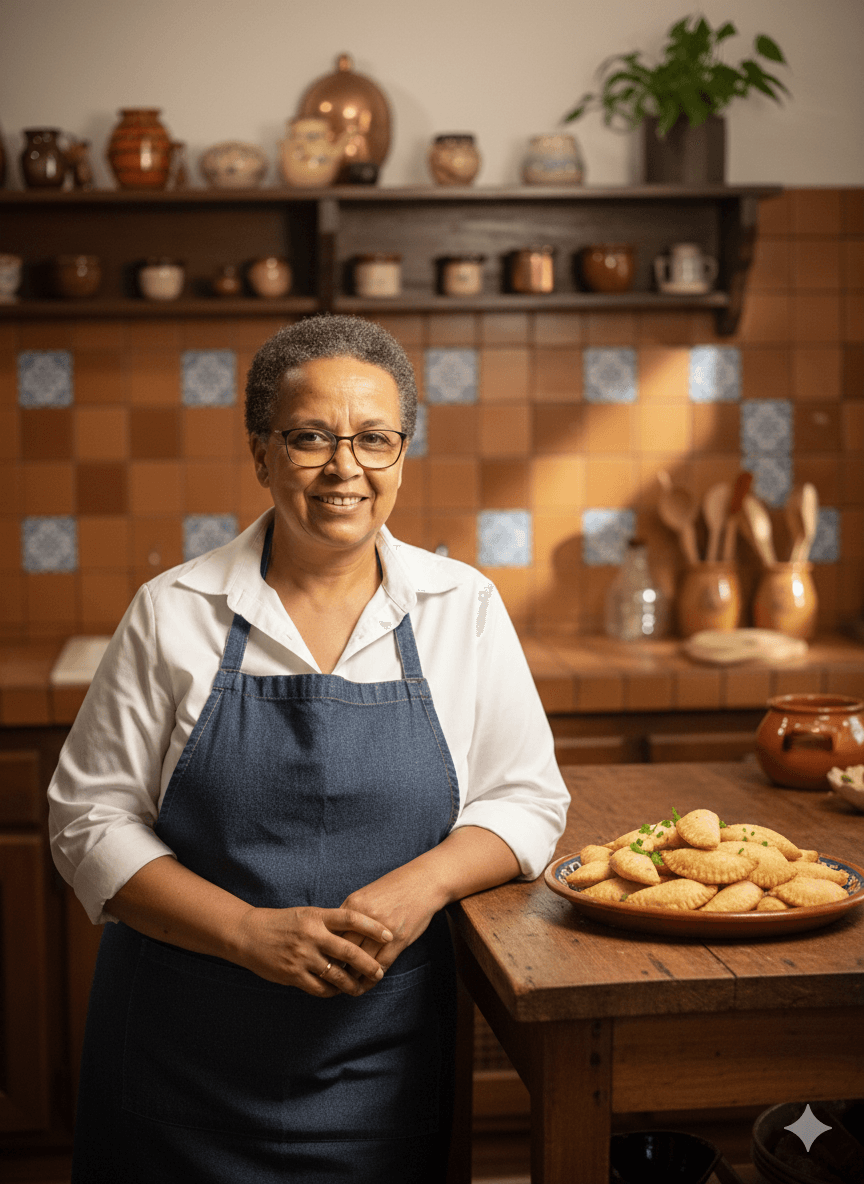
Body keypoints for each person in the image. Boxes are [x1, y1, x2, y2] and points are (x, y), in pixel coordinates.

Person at [48, 314, 569, 1183]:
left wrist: (420, 887)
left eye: (374, 439)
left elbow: (526, 799)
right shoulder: (173, 612)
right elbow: (88, 822)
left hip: (383, 1060)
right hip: (182, 1057)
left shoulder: (462, 608)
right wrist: (248, 934)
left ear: (401, 457)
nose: (345, 467)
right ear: (262, 455)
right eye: (310, 437)